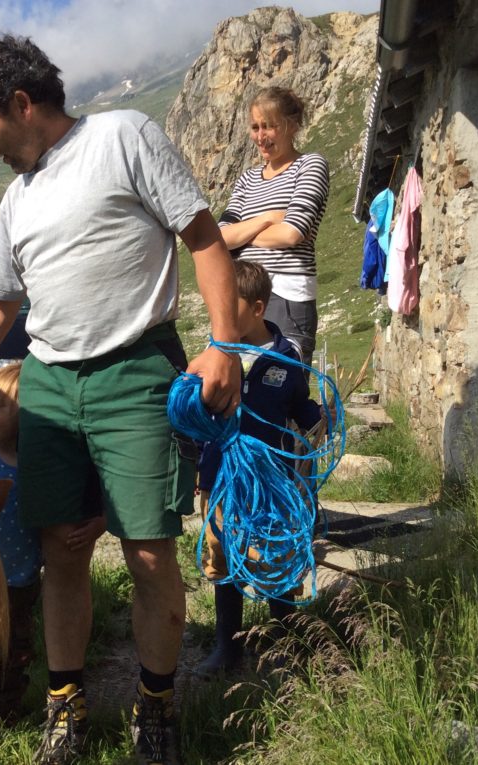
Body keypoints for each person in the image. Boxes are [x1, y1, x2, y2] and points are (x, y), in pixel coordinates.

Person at [0, 34, 241, 765]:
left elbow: (202, 238)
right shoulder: (18, 198)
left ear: (20, 103)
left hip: (134, 369)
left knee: (146, 552)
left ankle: (157, 707)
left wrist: (225, 343)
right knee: (59, 552)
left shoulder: (122, 136)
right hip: (46, 382)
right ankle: (65, 707)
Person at [194, 260, 324, 677]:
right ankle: (227, 646)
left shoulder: (287, 360)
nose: (220, 317)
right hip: (221, 479)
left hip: (272, 482)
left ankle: (287, 641)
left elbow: (300, 408)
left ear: (257, 308)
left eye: (228, 308)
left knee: (277, 556)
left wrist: (317, 419)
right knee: (224, 556)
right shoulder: (217, 354)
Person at [0, 362, 105, 722]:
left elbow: (63, 509)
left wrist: (98, 524)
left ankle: (5, 708)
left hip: (23, 578)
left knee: (16, 645)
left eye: (0, 406)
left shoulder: (39, 465)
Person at [218, 86, 330, 369]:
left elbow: (292, 233)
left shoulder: (310, 166)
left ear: (291, 126)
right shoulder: (246, 180)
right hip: (242, 294)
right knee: (238, 389)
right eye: (255, 127)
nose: (260, 137)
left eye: (269, 126)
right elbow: (220, 239)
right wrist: (267, 218)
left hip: (288, 296)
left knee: (283, 391)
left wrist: (242, 236)